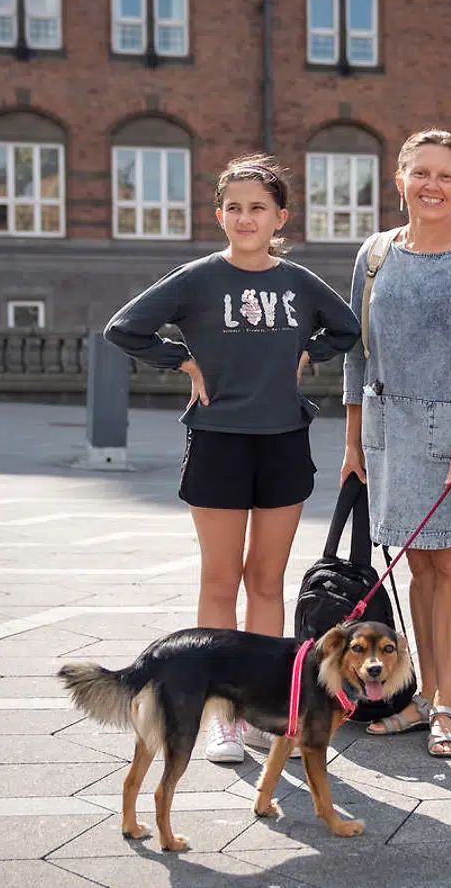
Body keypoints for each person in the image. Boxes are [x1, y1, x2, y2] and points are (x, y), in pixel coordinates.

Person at [104, 153, 360, 763]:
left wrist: (307, 353)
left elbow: (347, 329)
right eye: (234, 208)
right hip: (217, 440)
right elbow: (125, 328)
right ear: (220, 215)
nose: (246, 218)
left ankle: (265, 707)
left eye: (258, 208)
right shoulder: (197, 278)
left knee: (266, 580)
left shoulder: (297, 283)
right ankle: (220, 713)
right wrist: (183, 361)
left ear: (280, 217)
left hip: (282, 442)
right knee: (220, 580)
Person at [341, 129, 451, 758]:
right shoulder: (376, 254)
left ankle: (448, 705)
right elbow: (359, 355)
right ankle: (418, 695)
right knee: (416, 566)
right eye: (420, 174)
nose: (432, 186)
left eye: (445, 176)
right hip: (390, 433)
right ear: (400, 180)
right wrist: (353, 440)